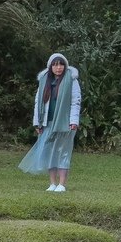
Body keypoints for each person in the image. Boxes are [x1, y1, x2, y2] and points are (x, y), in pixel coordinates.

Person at [18, 53, 81, 191]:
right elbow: (38, 103)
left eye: (61, 64)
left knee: (63, 152)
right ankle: (52, 183)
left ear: (65, 65)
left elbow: (75, 102)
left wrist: (73, 121)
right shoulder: (44, 81)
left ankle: (62, 184)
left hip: (65, 123)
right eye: (55, 64)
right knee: (49, 152)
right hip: (48, 122)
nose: (58, 67)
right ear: (51, 66)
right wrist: (38, 123)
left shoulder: (71, 80)